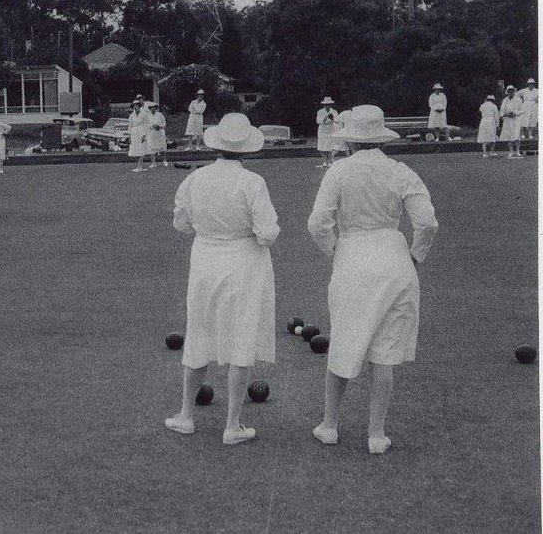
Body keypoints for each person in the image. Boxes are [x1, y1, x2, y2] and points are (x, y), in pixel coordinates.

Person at [307, 105, 438, 455]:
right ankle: (376, 435)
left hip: (353, 258)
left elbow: (318, 222)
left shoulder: (338, 171)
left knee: (345, 341)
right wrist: (415, 255)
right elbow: (426, 222)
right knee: (384, 352)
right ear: (381, 138)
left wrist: (334, 248)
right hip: (394, 260)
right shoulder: (399, 171)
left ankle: (329, 425)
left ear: (349, 141)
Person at [165, 113, 279, 445]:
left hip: (205, 258)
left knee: (198, 329)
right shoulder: (253, 182)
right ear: (245, 149)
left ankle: (186, 415)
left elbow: (181, 223)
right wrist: (252, 238)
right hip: (244, 262)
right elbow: (268, 232)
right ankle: (232, 425)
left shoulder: (195, 179)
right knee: (241, 335)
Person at [499, 85, 524, 158]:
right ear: (507, 92)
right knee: (509, 136)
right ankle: (511, 151)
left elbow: (522, 110)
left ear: (514, 91)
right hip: (508, 120)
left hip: (516, 120)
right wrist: (505, 114)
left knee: (516, 136)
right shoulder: (505, 100)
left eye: (512, 91)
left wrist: (515, 113)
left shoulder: (518, 100)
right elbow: (501, 111)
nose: (511, 92)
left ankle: (518, 151)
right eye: (509, 91)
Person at [128, 98, 151, 172]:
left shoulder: (144, 114)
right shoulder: (132, 115)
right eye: (134, 106)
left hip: (141, 132)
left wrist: (144, 134)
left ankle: (139, 166)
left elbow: (146, 125)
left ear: (139, 106)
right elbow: (130, 126)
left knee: (142, 149)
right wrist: (129, 136)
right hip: (134, 133)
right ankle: (139, 165)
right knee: (135, 149)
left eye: (136, 105)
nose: (135, 107)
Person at [315, 96, 339, 167]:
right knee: (322, 147)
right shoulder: (320, 112)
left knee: (330, 146)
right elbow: (318, 121)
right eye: (326, 104)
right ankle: (325, 161)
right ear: (324, 105)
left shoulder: (334, 111)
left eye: (329, 104)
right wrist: (325, 118)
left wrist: (332, 119)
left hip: (331, 130)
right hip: (322, 130)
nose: (327, 106)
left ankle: (330, 161)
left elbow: (337, 121)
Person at [147, 101, 169, 168]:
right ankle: (153, 163)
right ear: (150, 108)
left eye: (154, 107)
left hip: (160, 132)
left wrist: (160, 126)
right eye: (151, 108)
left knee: (162, 147)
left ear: (156, 108)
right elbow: (146, 124)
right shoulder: (147, 115)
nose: (152, 109)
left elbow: (164, 122)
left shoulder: (160, 114)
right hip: (152, 133)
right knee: (151, 147)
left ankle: (164, 160)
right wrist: (152, 126)